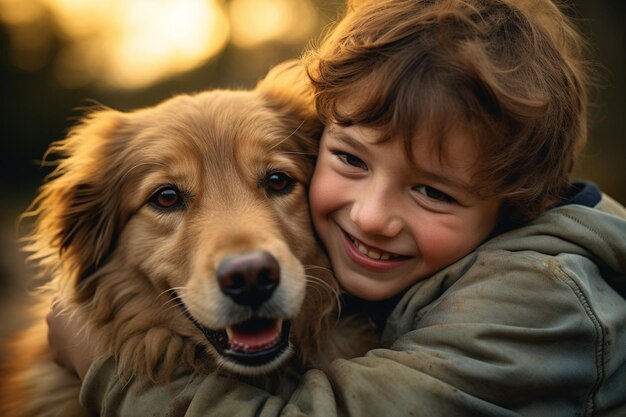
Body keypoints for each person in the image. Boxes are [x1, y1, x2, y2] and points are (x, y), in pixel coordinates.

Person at [48, 0, 626, 415]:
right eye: (167, 197)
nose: (371, 216)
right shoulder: (398, 274)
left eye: (276, 180)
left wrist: (103, 367)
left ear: (519, 204)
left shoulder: (541, 298)